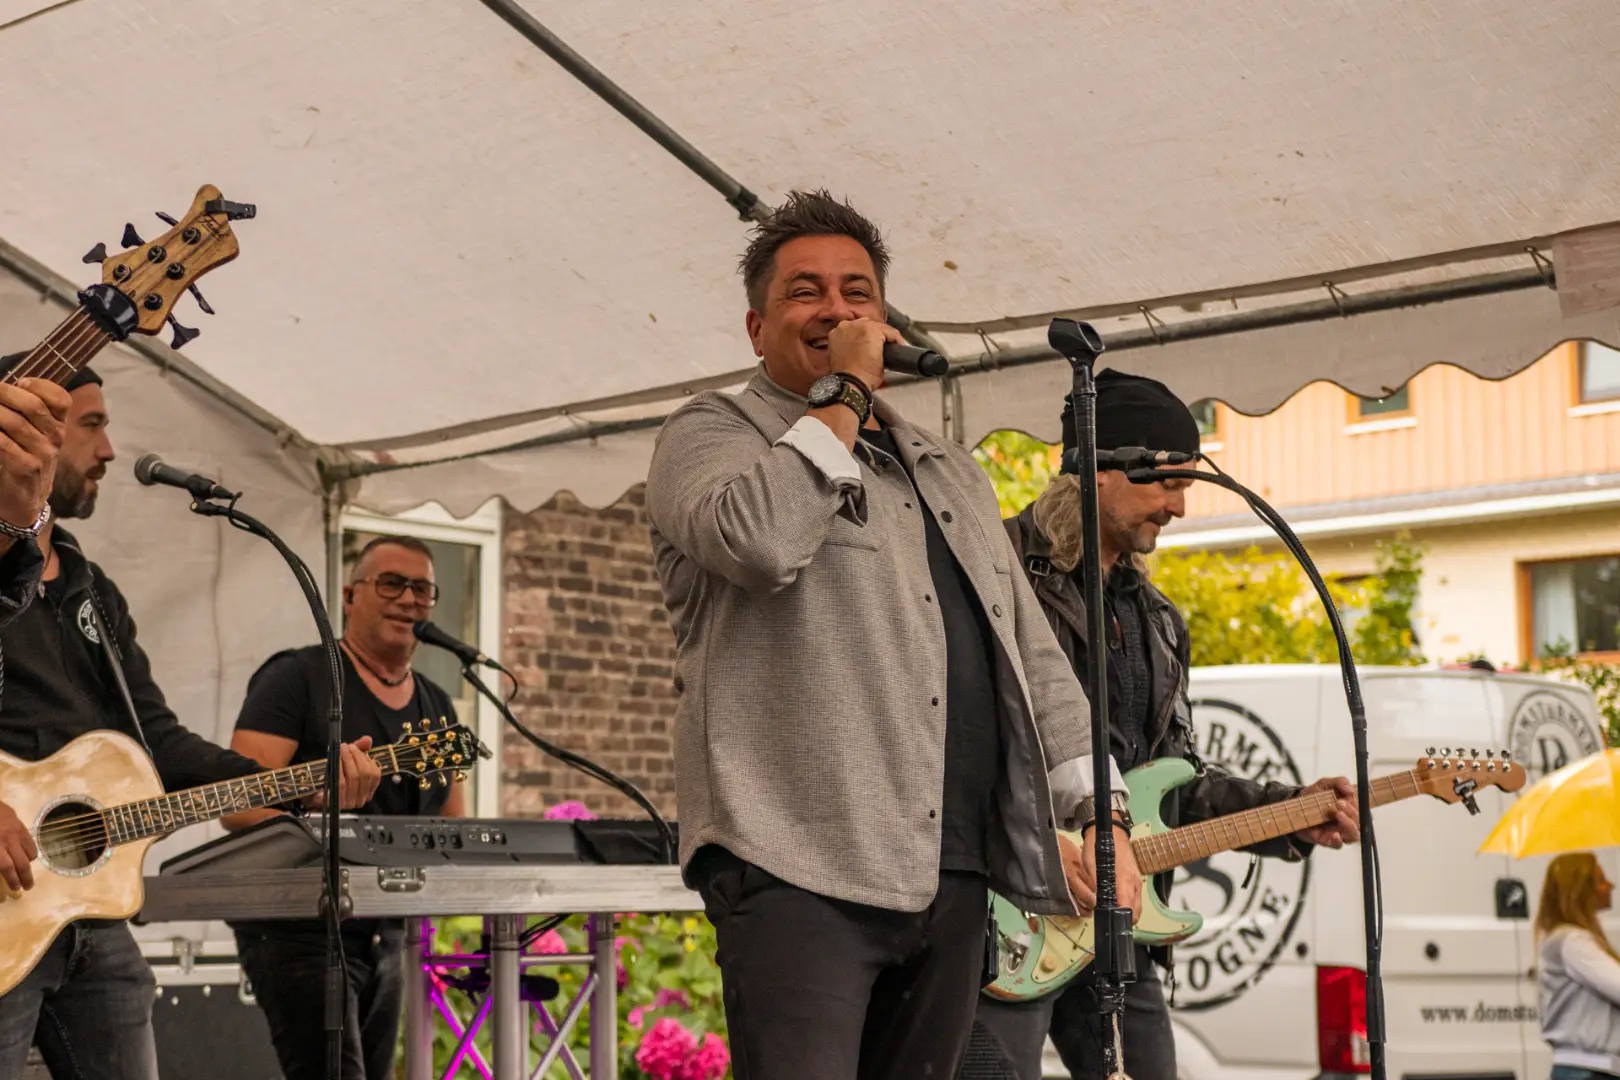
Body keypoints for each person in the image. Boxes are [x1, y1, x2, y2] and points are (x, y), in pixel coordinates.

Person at [644, 189, 1143, 1080]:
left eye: (858, 292)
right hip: (797, 864)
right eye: (805, 292)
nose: (836, 311)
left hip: (951, 871)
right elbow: (757, 542)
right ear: (756, 328)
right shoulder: (712, 433)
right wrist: (844, 392)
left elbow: (1028, 649)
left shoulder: (948, 469)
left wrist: (1101, 816)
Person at [962, 371, 1361, 1080]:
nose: (1179, 506)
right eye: (1169, 484)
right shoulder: (994, 573)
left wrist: (1292, 814)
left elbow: (1177, 784)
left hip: (1120, 924)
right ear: (1102, 469)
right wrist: (1039, 846)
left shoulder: (1158, 619)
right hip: (1006, 912)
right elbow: (953, 746)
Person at [0, 356, 383, 1080]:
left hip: (88, 911)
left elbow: (160, 743)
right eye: (92, 426)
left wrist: (300, 784)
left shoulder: (91, 590)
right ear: (31, 436)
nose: (109, 450)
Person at [222, 534, 464, 1080]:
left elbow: (452, 827)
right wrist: (323, 825)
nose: (409, 599)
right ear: (350, 596)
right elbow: (237, 806)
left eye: (423, 589)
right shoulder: (297, 677)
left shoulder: (437, 704)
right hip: (300, 925)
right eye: (392, 584)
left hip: (387, 927)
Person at [1536, 852, 1620, 1080]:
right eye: (1600, 880)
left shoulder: (1563, 939)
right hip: (1588, 1070)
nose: (1610, 886)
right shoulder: (1573, 941)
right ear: (1581, 888)